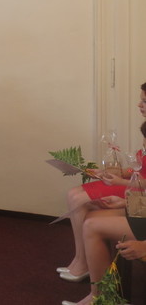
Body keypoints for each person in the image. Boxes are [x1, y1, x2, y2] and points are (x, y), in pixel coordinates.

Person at [57, 82, 146, 283]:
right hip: (135, 185)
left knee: (80, 200)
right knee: (73, 195)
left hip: (138, 190)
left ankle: (84, 263)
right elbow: (140, 167)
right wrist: (117, 172)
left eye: (144, 101)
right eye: (141, 100)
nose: (139, 105)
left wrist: (121, 181)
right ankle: (82, 258)